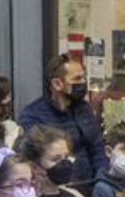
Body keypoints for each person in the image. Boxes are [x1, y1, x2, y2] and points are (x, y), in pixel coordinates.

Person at [17, 56, 106, 186]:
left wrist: (101, 179)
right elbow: (33, 159)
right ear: (57, 84)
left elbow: (97, 147)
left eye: (83, 77)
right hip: (56, 188)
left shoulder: (84, 108)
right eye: (77, 79)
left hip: (91, 184)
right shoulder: (33, 115)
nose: (83, 83)